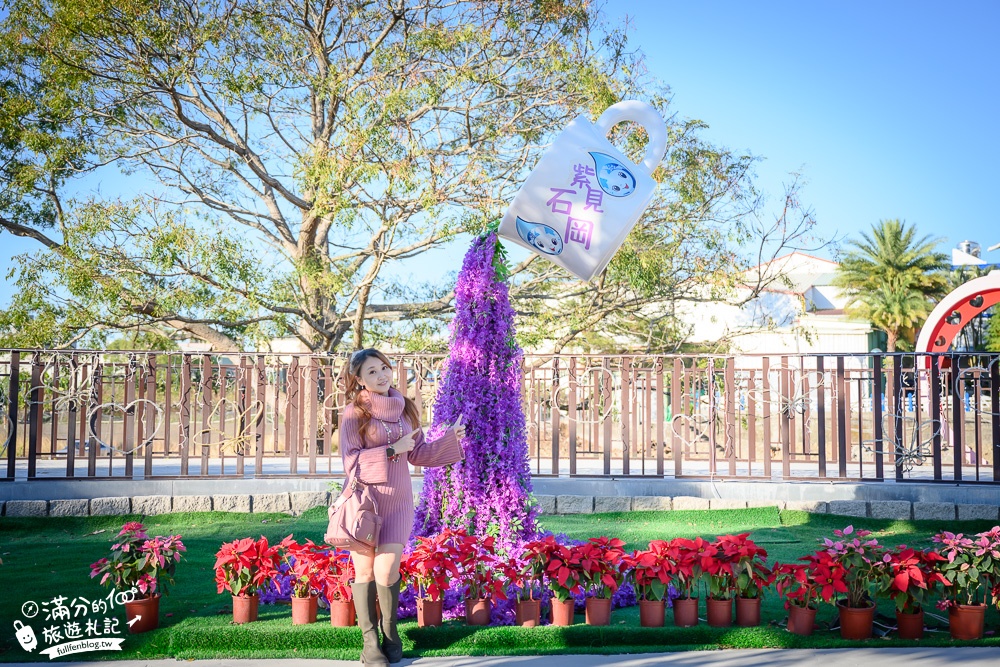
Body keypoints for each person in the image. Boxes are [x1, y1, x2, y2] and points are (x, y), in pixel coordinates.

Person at [334, 348, 466, 666]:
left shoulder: (405, 407)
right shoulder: (353, 412)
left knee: (387, 567)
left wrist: (450, 438)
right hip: (365, 501)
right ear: (359, 379)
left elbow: (417, 453)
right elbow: (350, 462)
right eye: (372, 372)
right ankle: (370, 644)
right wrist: (392, 449)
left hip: (399, 501)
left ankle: (390, 632)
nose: (381, 376)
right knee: (365, 569)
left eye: (384, 368)